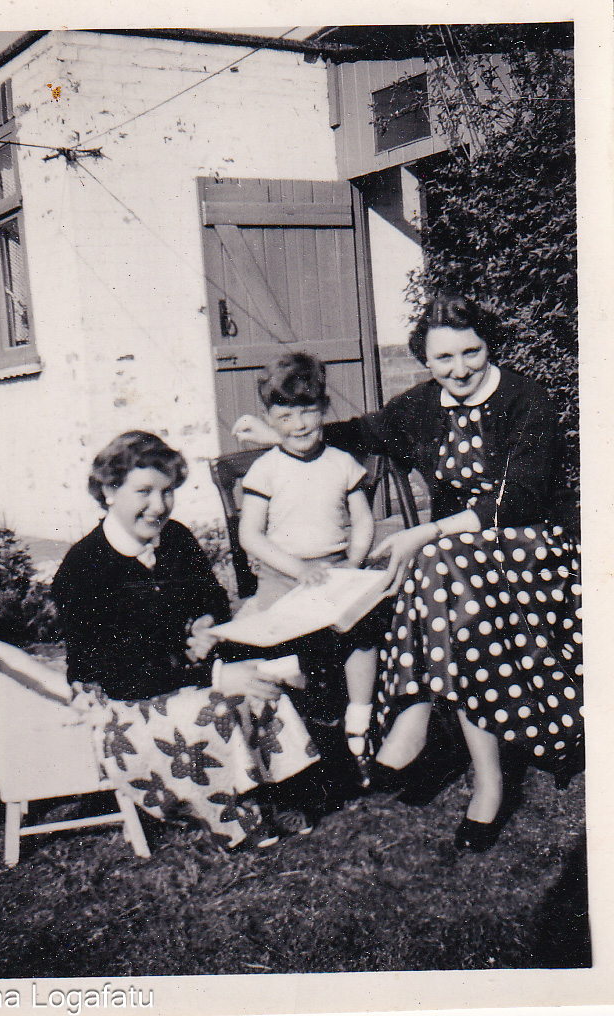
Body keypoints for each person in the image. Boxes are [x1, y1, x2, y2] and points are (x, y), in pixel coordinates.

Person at [233, 293, 583, 851]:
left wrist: (424, 531)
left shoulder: (524, 399)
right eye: (444, 358)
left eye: (471, 352)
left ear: (489, 347)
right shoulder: (421, 406)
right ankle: (450, 743)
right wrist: (282, 436)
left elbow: (521, 498)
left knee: (433, 561)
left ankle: (423, 719)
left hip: (535, 546)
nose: (460, 368)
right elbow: (353, 434)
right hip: (457, 564)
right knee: (440, 569)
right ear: (425, 359)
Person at [52, 431, 319, 850]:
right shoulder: (83, 568)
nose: (158, 506)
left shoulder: (175, 538)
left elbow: (211, 597)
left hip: (178, 672)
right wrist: (215, 673)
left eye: (167, 492)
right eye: (144, 492)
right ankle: (235, 817)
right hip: (121, 700)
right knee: (212, 706)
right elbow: (122, 672)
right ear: (109, 491)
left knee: (261, 678)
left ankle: (272, 792)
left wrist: (206, 622)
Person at [237, 352, 381, 789]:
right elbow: (251, 535)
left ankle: (359, 718)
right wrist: (297, 569)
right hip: (285, 577)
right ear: (269, 417)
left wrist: (353, 564)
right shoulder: (266, 470)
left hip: (337, 568)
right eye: (285, 416)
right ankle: (309, 733)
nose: (299, 425)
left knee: (362, 628)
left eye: (309, 412)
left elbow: (362, 520)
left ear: (324, 409)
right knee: (290, 649)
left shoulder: (340, 463)